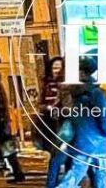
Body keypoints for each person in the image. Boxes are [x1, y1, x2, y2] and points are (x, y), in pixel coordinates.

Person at [54, 56, 106, 188]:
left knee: (76, 172)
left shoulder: (72, 93)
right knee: (103, 174)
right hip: (99, 141)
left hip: (81, 140)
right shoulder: (96, 93)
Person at [0, 68, 25, 183]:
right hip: (2, 122)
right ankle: (17, 173)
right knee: (8, 150)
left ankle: (15, 172)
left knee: (0, 147)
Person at [36, 57, 68, 188]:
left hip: (63, 123)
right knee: (56, 155)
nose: (57, 71)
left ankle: (56, 183)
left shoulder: (67, 85)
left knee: (62, 155)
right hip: (50, 123)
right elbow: (40, 103)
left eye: (59, 68)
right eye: (54, 67)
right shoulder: (47, 84)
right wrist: (48, 108)